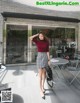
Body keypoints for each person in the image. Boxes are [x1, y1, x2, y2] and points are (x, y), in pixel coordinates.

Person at [29, 31, 50, 99]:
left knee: (44, 74)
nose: (41, 37)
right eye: (40, 36)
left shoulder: (46, 42)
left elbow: (47, 51)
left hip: (45, 58)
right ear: (39, 36)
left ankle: (43, 87)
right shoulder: (37, 41)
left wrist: (49, 59)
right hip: (39, 57)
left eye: (42, 36)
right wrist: (36, 34)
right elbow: (30, 38)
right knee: (40, 75)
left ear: (43, 36)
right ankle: (40, 90)